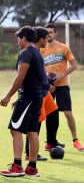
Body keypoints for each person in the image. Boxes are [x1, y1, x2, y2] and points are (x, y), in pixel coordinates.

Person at [0, 26, 44, 177]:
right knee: (32, 131)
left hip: (27, 98)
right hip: (36, 97)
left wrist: (8, 96)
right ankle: (32, 168)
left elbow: (21, 77)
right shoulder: (38, 54)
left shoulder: (25, 53)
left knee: (15, 130)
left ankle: (17, 166)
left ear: (25, 38)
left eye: (19, 39)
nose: (18, 42)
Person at [41, 23, 84, 151]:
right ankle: (50, 142)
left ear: (55, 33)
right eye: (46, 32)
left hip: (62, 85)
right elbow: (38, 69)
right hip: (48, 86)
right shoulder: (41, 49)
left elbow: (74, 65)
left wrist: (61, 75)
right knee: (50, 114)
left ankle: (75, 140)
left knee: (67, 113)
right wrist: (46, 82)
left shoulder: (63, 48)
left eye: (51, 32)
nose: (48, 34)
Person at [24, 27, 60, 161]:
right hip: (39, 91)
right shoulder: (31, 53)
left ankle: (51, 141)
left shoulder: (39, 52)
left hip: (45, 91)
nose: (47, 40)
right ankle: (30, 153)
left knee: (54, 112)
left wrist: (46, 77)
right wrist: (46, 83)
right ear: (39, 39)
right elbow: (28, 75)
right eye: (45, 37)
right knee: (36, 122)